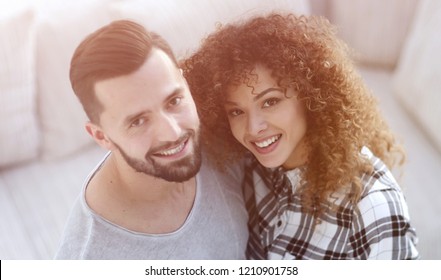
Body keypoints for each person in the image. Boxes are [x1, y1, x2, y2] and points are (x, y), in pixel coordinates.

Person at [182, 13, 419, 259]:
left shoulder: (373, 208)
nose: (253, 128)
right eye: (236, 111)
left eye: (270, 101)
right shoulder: (249, 168)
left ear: (310, 96)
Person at [55, 20, 248, 259]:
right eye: (138, 121)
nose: (173, 133)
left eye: (174, 101)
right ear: (101, 136)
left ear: (185, 84)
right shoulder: (93, 258)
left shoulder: (227, 131)